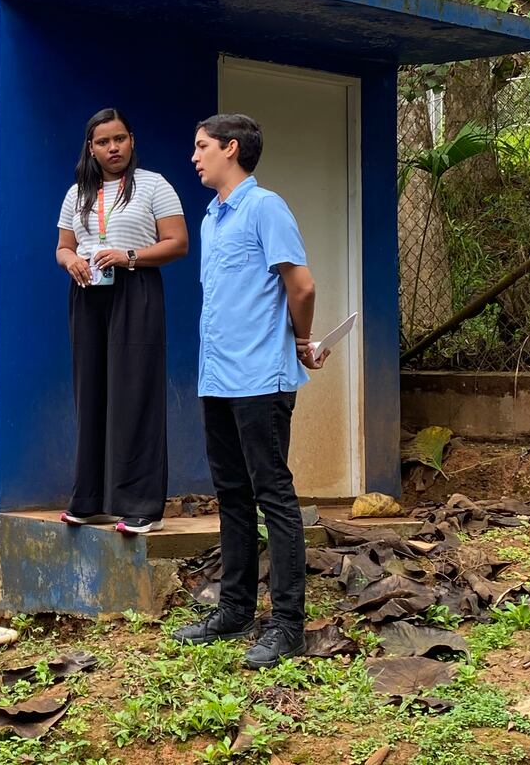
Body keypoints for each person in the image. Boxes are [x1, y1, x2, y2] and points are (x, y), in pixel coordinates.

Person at [176, 113, 326, 669]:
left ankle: (287, 624)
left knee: (274, 496)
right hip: (217, 379)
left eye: (201, 146)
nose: (194, 156)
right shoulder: (212, 218)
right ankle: (235, 610)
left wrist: (303, 338)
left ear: (230, 149)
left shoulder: (266, 207)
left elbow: (301, 284)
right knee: (232, 494)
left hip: (262, 378)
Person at [55, 108, 189, 535]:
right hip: (88, 293)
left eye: (119, 139)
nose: (112, 148)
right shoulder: (77, 193)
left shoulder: (154, 185)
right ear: (90, 148)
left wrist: (129, 255)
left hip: (136, 290)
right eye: (102, 142)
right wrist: (72, 260)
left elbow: (178, 243)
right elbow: (62, 247)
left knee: (135, 393)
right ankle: (91, 499)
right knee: (90, 392)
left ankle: (140, 505)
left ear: (131, 140)